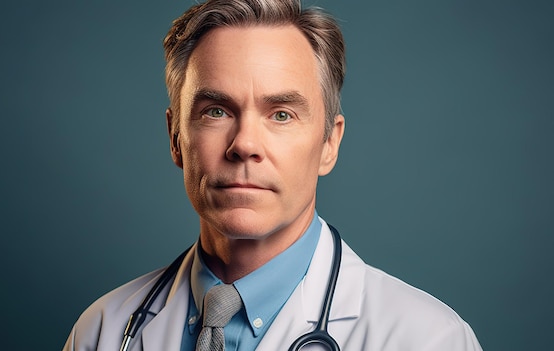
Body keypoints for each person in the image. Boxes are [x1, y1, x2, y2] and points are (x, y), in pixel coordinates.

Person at [63, 0, 482, 350]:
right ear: (175, 138)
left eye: (281, 114)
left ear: (328, 144)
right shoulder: (102, 331)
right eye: (216, 111)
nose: (244, 144)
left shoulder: (428, 339)